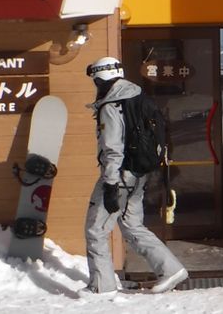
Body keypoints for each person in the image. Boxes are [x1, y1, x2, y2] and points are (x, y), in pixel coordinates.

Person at [83, 56, 188, 294]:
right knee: (132, 225)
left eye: (96, 80)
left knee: (96, 230)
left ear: (101, 78)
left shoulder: (112, 105)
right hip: (139, 174)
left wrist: (110, 184)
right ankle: (171, 269)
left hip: (118, 177)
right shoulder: (137, 98)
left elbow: (113, 148)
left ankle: (102, 286)